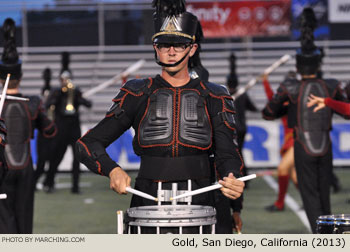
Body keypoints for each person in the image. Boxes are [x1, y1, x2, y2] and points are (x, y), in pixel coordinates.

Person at [76, 0, 244, 234]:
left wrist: (232, 178)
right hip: (147, 203)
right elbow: (87, 143)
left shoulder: (215, 95)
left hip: (204, 204)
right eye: (164, 44)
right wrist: (111, 169)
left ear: (192, 48)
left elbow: (228, 154)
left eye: (179, 44)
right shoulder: (137, 92)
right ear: (155, 47)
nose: (171, 51)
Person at [261, 8, 349, 233]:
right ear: (318, 64)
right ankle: (331, 237)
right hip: (325, 146)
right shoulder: (331, 84)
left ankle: (320, 237)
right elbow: (347, 111)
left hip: (302, 145)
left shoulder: (289, 87)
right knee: (324, 195)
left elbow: (268, 112)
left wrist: (287, 108)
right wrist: (328, 102)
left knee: (310, 197)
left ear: (298, 66)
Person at [0, 18, 57, 233]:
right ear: (21, 77)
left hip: (2, 169)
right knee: (24, 224)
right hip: (25, 168)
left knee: (4, 224)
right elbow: (51, 131)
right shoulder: (33, 104)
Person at [42, 52, 92, 194]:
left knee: (77, 159)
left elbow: (88, 104)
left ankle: (75, 187)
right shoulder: (57, 92)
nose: (65, 81)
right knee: (56, 157)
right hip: (61, 128)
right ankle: (49, 183)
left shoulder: (76, 92)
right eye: (63, 79)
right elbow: (48, 105)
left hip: (74, 128)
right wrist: (56, 97)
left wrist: (79, 98)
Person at [262, 72, 297, 212]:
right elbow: (271, 99)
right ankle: (316, 202)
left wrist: (265, 81)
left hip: (297, 140)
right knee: (296, 177)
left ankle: (280, 203)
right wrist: (265, 82)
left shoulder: (299, 100)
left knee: (283, 169)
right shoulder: (284, 102)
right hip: (290, 141)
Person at [34, 68, 55, 189]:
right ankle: (33, 182)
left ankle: (49, 183)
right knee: (41, 163)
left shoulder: (53, 104)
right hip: (43, 135)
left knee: (52, 161)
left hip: (51, 134)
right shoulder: (40, 106)